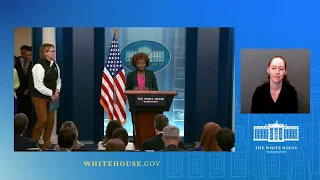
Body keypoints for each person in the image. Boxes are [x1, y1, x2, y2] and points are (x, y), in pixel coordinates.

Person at [29, 43, 62, 150]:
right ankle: (33, 143)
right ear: (45, 53)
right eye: (52, 51)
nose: (54, 53)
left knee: (50, 121)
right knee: (42, 119)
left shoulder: (55, 65)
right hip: (39, 97)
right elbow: (38, 85)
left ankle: (46, 144)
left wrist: (57, 91)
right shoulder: (38, 66)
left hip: (52, 97)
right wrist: (51, 94)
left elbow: (58, 80)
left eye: (54, 51)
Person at [125, 52, 158, 145]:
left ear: (146, 63)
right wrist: (132, 89)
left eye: (143, 62)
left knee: (149, 124)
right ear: (135, 64)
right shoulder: (130, 75)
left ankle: (150, 143)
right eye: (139, 63)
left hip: (149, 103)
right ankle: (138, 143)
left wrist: (149, 90)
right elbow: (127, 89)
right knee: (136, 124)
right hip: (135, 103)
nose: (141, 65)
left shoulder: (151, 74)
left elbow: (156, 89)